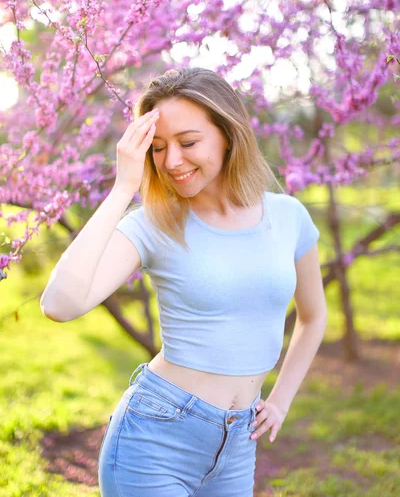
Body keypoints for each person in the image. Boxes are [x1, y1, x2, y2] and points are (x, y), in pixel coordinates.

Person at [40, 67, 327, 496]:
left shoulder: (288, 216)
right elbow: (60, 304)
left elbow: (314, 314)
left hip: (237, 443)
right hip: (155, 438)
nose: (172, 161)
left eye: (188, 142)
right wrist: (122, 189)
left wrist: (281, 400)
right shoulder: (154, 224)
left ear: (228, 134)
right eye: (158, 148)